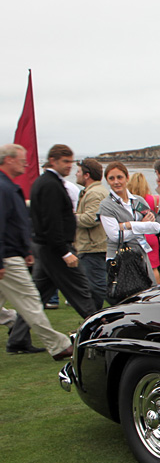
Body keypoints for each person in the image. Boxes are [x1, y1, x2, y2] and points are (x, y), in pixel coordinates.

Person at [0, 144, 73, 359]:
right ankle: (59, 345)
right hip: (7, 256)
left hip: (13, 253)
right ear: (9, 160)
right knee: (31, 299)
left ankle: (14, 323)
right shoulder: (4, 188)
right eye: (22, 159)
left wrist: (25, 249)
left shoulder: (7, 187)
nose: (27, 163)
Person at [27, 144, 94, 318]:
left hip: (47, 247)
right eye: (65, 161)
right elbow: (52, 222)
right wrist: (65, 253)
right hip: (57, 249)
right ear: (52, 161)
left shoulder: (44, 182)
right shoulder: (51, 185)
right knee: (81, 291)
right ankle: (98, 331)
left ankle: (18, 337)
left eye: (70, 162)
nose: (69, 166)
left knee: (37, 297)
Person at [99, 162, 160, 296]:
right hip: (118, 257)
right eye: (111, 178)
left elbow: (156, 226)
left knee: (146, 292)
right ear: (107, 181)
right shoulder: (106, 206)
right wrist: (142, 225)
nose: (116, 182)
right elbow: (115, 236)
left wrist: (128, 225)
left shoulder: (138, 201)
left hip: (140, 254)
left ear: (127, 178)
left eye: (119, 177)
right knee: (123, 294)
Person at [74, 158, 109, 312]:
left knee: (98, 287)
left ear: (87, 175)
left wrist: (70, 217)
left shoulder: (94, 193)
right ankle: (95, 319)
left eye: (78, 171)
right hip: (94, 245)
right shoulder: (94, 192)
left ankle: (122, 308)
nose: (76, 174)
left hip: (93, 246)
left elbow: (91, 219)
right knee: (94, 288)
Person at [128, 172, 160, 278]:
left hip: (137, 236)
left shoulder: (130, 201)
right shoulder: (153, 199)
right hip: (151, 236)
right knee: (154, 268)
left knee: (136, 269)